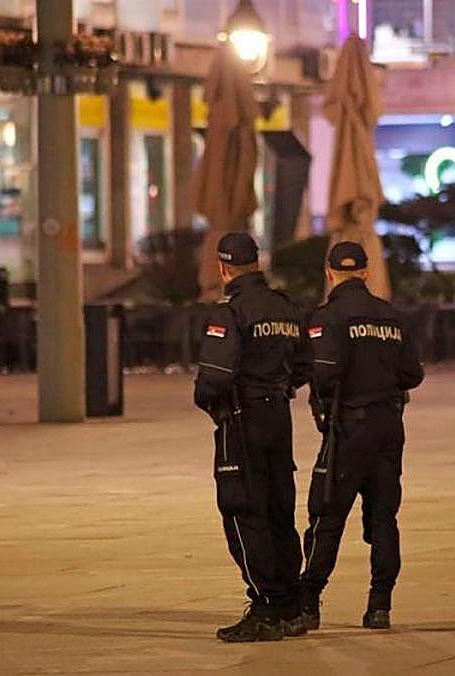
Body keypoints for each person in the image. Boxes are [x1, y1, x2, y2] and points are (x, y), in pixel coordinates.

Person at [299, 241, 425, 631]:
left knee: (327, 515)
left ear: (330, 273)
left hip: (348, 429)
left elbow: (323, 372)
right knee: (384, 517)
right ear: (366, 273)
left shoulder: (327, 317)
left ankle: (309, 603)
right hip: (389, 427)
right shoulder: (390, 316)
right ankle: (379, 605)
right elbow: (413, 374)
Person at [193, 232, 312, 643]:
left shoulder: (230, 311)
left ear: (223, 267)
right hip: (278, 416)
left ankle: (265, 604)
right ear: (257, 263)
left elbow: (215, 377)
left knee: (243, 509)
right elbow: (306, 364)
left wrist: (209, 403)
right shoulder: (285, 307)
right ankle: (289, 602)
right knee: (279, 507)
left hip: (241, 419)